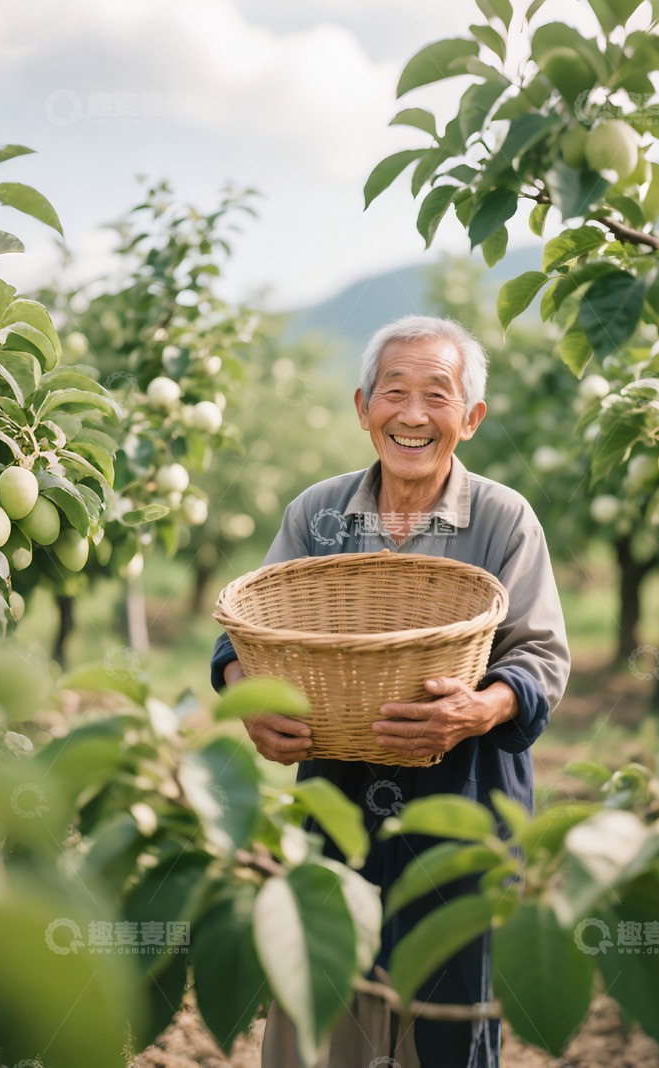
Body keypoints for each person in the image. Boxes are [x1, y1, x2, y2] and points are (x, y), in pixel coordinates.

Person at [210, 315, 570, 1068]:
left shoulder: (502, 518)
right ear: (362, 406)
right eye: (393, 392)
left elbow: (538, 659)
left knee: (447, 1031)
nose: (411, 415)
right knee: (324, 1023)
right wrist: (251, 698)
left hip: (463, 819)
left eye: (436, 396)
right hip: (339, 819)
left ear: (469, 418)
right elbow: (243, 633)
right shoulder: (318, 514)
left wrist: (478, 708)